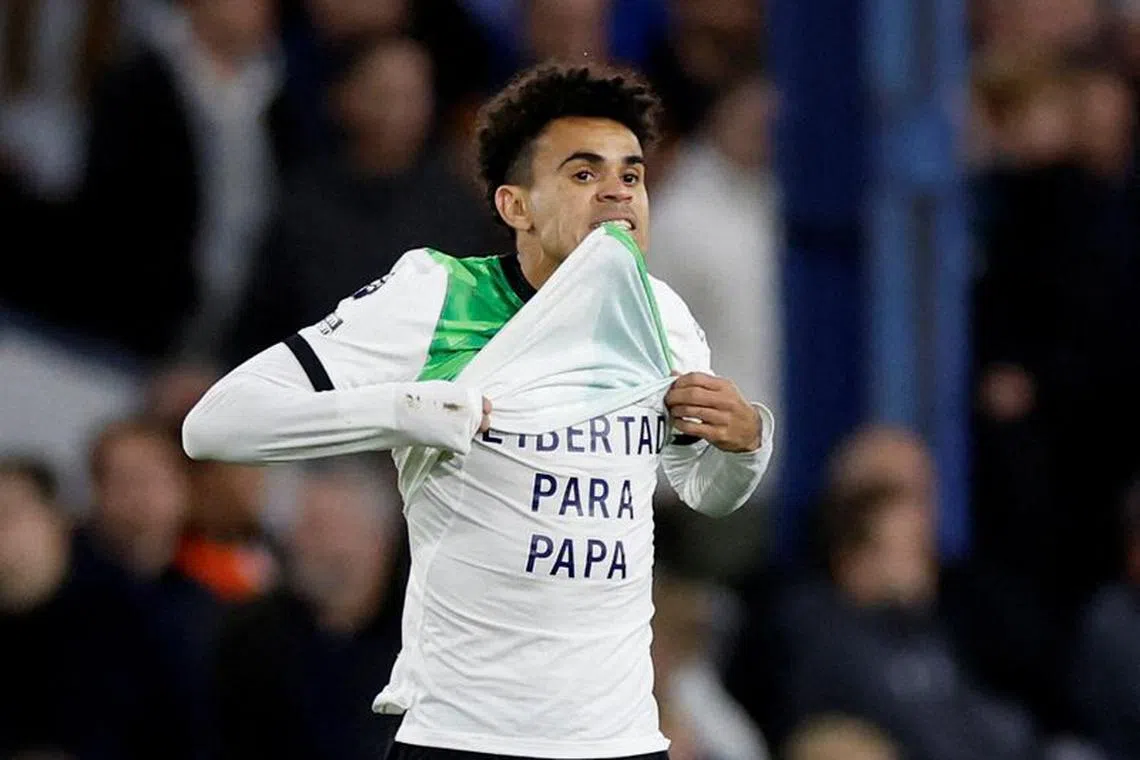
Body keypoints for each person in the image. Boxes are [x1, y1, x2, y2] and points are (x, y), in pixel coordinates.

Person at [182, 62, 775, 760]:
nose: (618, 191)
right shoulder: (437, 296)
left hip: (617, 739)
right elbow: (214, 424)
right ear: (515, 206)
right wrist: (407, 413)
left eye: (633, 174)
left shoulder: (663, 318)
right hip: (465, 736)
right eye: (583, 174)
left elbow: (708, 493)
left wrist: (745, 443)